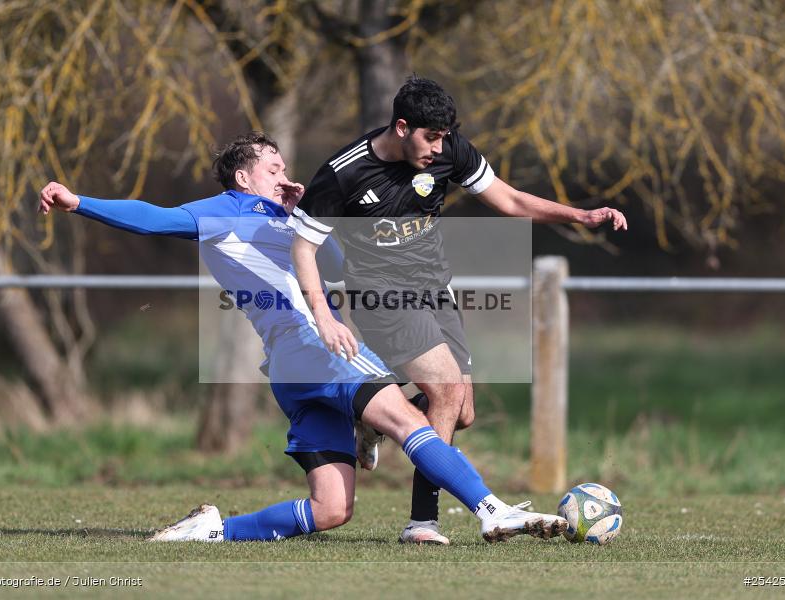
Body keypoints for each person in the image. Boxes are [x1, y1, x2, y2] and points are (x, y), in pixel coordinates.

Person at [38, 131, 567, 544]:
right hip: (315, 350)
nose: (283, 175)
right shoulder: (226, 210)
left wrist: (298, 214)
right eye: (273, 168)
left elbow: (334, 263)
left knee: (332, 510)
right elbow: (154, 220)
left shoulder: (284, 215)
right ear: (244, 177)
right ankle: (493, 512)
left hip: (291, 369)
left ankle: (215, 530)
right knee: (413, 418)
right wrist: (77, 201)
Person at [290, 77, 628, 545]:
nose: (439, 147)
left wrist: (581, 215)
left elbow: (508, 199)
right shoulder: (344, 173)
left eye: (446, 137)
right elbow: (303, 246)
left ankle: (373, 417)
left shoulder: (450, 150)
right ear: (403, 127)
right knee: (446, 390)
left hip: (436, 292)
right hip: (381, 297)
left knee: (460, 411)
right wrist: (325, 317)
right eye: (431, 137)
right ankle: (422, 522)